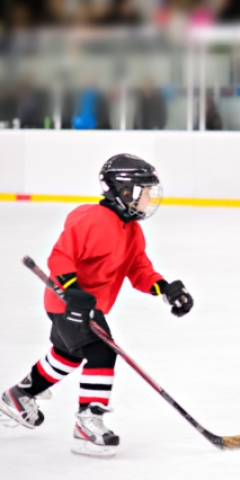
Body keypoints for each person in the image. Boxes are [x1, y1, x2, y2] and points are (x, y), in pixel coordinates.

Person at [0, 154, 194, 457]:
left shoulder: (131, 230)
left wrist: (165, 288)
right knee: (101, 351)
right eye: (144, 192)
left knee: (68, 355)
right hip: (67, 303)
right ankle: (87, 424)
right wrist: (72, 291)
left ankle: (19, 395)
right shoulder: (92, 219)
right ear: (124, 190)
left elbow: (139, 270)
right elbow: (61, 256)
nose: (149, 199)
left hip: (87, 306)